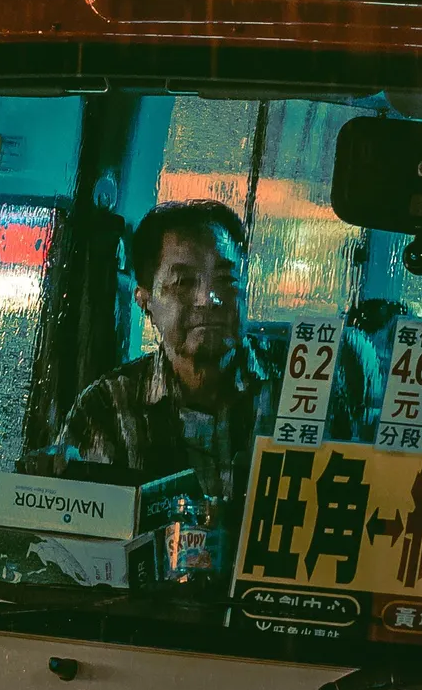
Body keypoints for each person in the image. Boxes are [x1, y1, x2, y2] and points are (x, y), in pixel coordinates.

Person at [58, 200, 266, 507]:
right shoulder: (106, 407)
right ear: (146, 302)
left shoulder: (296, 388)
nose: (208, 299)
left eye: (225, 280)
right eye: (183, 282)